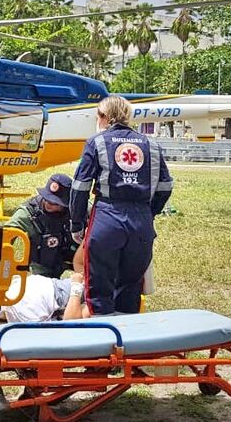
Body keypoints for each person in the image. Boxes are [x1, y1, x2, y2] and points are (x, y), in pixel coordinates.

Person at [69, 95, 173, 316]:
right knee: (131, 287)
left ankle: (101, 340)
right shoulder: (152, 145)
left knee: (99, 287)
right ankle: (126, 342)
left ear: (103, 116)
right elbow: (165, 186)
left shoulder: (96, 142)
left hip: (107, 216)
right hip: (141, 220)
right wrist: (148, 212)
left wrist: (77, 223)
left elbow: (80, 187)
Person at [5, 173, 77, 278]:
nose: (49, 204)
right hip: (44, 265)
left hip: (75, 259)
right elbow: (4, 236)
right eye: (47, 198)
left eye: (55, 203)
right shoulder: (28, 213)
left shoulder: (79, 210)